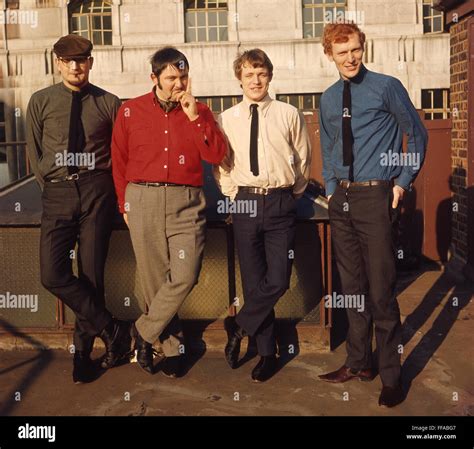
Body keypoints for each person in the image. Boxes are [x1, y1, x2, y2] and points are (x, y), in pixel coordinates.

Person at [318, 23, 428, 407]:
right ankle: (359, 362)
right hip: (342, 201)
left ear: (363, 49)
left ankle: (392, 376)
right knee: (352, 290)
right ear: (329, 54)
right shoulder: (328, 98)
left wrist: (401, 183)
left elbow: (416, 134)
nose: (350, 58)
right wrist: (331, 189)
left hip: (376, 196)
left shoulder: (386, 86)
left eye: (355, 50)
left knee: (381, 291)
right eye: (341, 51)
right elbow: (329, 144)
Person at [112, 46, 227, 377]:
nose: (180, 84)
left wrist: (194, 118)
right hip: (142, 198)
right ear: (155, 78)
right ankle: (173, 348)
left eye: (184, 77)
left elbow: (216, 155)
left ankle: (142, 333)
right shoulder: (130, 111)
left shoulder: (200, 111)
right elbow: (118, 160)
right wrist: (124, 203)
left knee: (185, 274)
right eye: (173, 78)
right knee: (153, 280)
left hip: (186, 202)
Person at [26, 34, 131, 384]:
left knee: (91, 276)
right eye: (68, 60)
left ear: (90, 62)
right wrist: (53, 184)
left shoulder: (109, 103)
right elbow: (35, 151)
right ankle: (112, 328)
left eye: (81, 60)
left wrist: (115, 195)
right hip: (57, 192)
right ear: (57, 63)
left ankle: (83, 356)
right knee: (52, 274)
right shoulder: (40, 101)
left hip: (96, 190)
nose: (75, 66)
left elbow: (121, 155)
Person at [214, 49, 311, 382]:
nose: (255, 80)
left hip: (281, 202)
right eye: (249, 74)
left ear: (270, 76)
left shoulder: (288, 113)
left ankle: (239, 325)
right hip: (244, 203)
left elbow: (302, 159)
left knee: (279, 279)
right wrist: (233, 195)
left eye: (261, 73)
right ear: (239, 78)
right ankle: (267, 354)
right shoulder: (226, 118)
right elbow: (222, 165)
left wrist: (291, 195)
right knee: (255, 283)